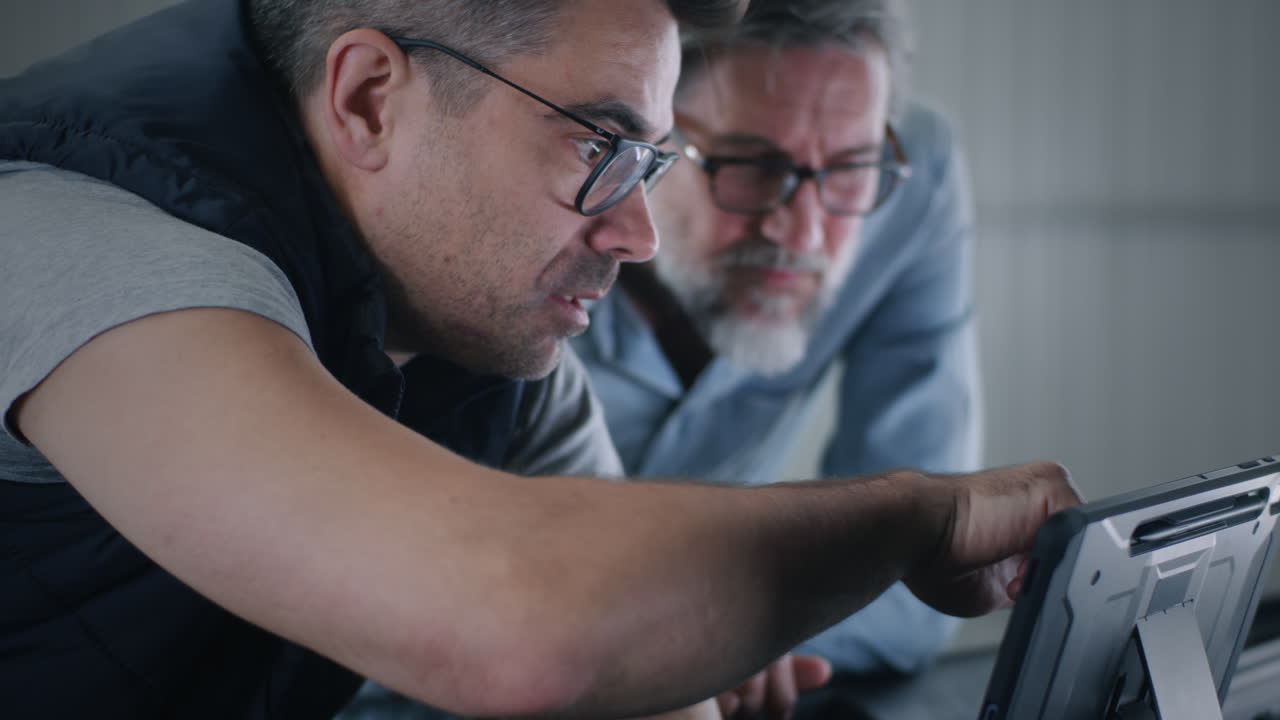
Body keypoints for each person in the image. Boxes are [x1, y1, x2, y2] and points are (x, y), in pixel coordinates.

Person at [0, 1, 1076, 719]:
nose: (640, 234)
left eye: (650, 163)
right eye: (599, 147)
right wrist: (914, 516)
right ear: (371, 95)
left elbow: (629, 686)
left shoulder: (484, 349)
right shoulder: (78, 245)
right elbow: (520, 621)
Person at [572, 0, 978, 697]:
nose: (804, 234)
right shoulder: (532, 214)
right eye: (751, 167)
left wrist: (733, 638)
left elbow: (916, 577)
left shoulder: (911, 182)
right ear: (647, 132)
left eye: (849, 167)